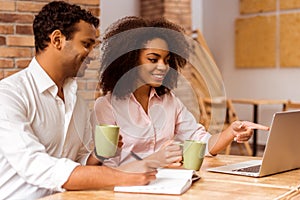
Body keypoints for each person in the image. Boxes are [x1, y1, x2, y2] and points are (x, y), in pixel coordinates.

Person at [0, 2, 160, 200]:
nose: (92, 55)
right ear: (57, 40)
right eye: (86, 44)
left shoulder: (78, 103)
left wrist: (99, 154)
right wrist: (122, 176)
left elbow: (78, 160)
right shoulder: (9, 95)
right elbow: (34, 164)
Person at [93, 16, 269, 167]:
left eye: (167, 60)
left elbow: (201, 141)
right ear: (129, 61)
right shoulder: (106, 106)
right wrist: (156, 161)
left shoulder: (169, 100)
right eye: (153, 59)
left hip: (170, 182)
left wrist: (231, 131)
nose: (163, 67)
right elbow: (109, 168)